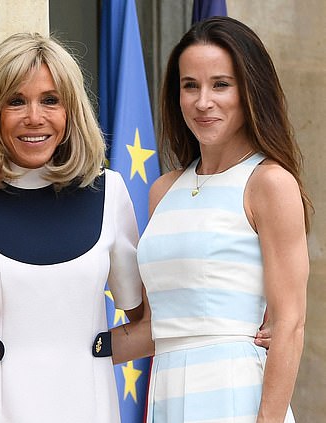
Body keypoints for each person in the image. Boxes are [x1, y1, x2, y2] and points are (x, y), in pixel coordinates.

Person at [0, 33, 144, 423]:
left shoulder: (109, 193)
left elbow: (146, 322)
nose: (34, 117)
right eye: (16, 101)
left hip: (89, 409)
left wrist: (228, 325)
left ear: (71, 111)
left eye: (50, 100)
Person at [114, 17, 310, 422]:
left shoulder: (269, 183)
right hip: (166, 394)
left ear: (250, 90)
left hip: (238, 396)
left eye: (221, 84)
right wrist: (56, 346)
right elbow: (159, 326)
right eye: (190, 85)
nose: (203, 101)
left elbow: (289, 324)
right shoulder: (163, 191)